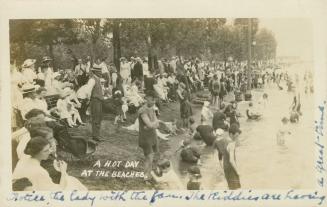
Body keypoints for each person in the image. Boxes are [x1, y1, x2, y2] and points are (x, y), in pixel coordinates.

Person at [12, 137, 87, 191]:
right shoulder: (40, 171)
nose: (49, 152)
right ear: (37, 152)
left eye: (49, 149)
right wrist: (63, 171)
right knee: (72, 182)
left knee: (71, 180)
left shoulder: (24, 159)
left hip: (25, 188)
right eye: (46, 151)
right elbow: (58, 191)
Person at [138, 91, 160, 181]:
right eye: (152, 100)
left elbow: (155, 124)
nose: (154, 102)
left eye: (155, 100)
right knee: (149, 157)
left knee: (154, 156)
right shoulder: (142, 110)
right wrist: (152, 124)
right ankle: (146, 177)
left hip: (153, 135)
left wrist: (152, 124)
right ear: (147, 99)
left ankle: (149, 175)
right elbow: (151, 124)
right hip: (145, 137)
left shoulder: (152, 108)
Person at [213, 124, 241, 190]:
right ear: (231, 134)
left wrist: (221, 166)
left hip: (226, 166)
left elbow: (220, 153)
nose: (237, 137)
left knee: (231, 187)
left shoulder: (224, 140)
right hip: (231, 168)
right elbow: (231, 160)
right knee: (235, 189)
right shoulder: (231, 144)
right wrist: (237, 171)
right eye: (236, 136)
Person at [86, 65, 105, 142]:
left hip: (99, 100)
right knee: (96, 118)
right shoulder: (92, 80)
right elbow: (88, 90)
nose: (101, 73)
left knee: (99, 117)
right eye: (99, 71)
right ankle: (95, 136)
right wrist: (88, 99)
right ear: (96, 72)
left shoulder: (98, 79)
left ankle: (97, 134)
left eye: (100, 71)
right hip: (95, 100)